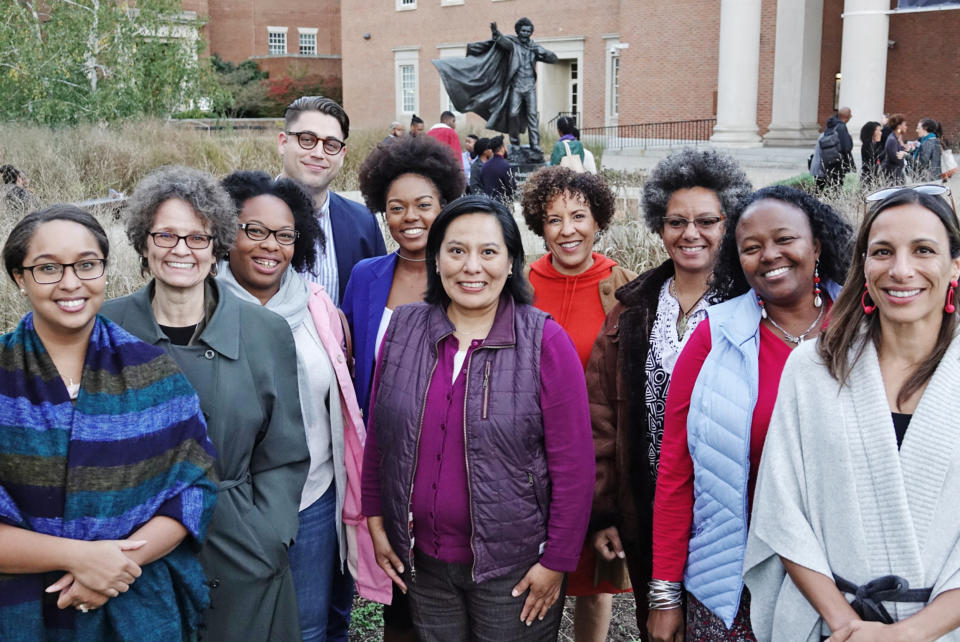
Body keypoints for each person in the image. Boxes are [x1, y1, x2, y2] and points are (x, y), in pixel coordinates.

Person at [361, 195, 595, 640]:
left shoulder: (544, 340)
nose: (472, 267)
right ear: (436, 259)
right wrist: (375, 515)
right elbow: (381, 434)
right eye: (456, 250)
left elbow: (575, 468)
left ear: (511, 263)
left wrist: (557, 562)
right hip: (425, 564)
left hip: (515, 571)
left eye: (488, 252)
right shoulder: (405, 328)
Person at [101, 166, 310, 641]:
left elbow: (285, 453)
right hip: (134, 556)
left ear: (216, 245)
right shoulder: (105, 330)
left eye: (197, 238)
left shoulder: (264, 331)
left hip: (243, 552)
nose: (180, 250)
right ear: (143, 242)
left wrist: (268, 537)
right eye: (166, 235)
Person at [744, 185, 960, 641]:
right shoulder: (812, 368)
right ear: (863, 265)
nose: (901, 270)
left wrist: (909, 633)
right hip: (826, 625)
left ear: (954, 265)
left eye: (923, 250)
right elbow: (781, 511)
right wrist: (845, 624)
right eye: (882, 251)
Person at [0, 204, 218, 640]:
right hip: (19, 613)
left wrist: (117, 565)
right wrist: (83, 559)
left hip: (137, 606)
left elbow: (195, 487)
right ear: (19, 279)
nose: (70, 282)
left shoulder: (154, 373)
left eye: (86, 265)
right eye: (47, 268)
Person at [648, 185, 852, 642]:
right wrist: (665, 594)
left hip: (847, 580)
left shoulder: (865, 328)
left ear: (816, 244)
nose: (769, 255)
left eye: (785, 239)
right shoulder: (713, 337)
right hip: (732, 586)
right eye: (751, 247)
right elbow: (677, 470)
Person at [217, 170, 391, 641]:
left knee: (316, 626)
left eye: (284, 234)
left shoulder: (317, 307)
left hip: (315, 495)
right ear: (223, 231)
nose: (269, 245)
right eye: (253, 230)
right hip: (232, 502)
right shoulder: (203, 309)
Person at [586, 148, 752, 639]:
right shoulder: (633, 310)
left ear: (730, 223)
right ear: (660, 226)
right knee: (657, 627)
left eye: (707, 221)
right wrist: (605, 512)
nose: (691, 234)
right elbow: (600, 417)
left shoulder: (750, 308)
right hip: (647, 506)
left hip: (727, 515)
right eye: (676, 221)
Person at [343, 134, 465, 641]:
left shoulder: (468, 273)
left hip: (454, 465)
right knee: (398, 602)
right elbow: (351, 370)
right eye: (396, 208)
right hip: (387, 462)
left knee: (450, 599)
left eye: (423, 205)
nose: (410, 217)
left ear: (445, 206)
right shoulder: (365, 277)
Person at [521, 166, 636, 641]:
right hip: (529, 459)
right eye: (553, 219)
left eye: (579, 216)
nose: (567, 230)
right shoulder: (519, 284)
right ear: (538, 225)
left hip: (595, 460)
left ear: (598, 221)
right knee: (530, 576)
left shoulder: (623, 288)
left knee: (594, 583)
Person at [278, 95, 387, 304]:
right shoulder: (243, 213)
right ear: (283, 143)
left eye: (331, 144)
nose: (319, 153)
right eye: (307, 140)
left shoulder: (363, 223)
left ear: (342, 154)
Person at [433, 18, 557, 154]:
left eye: (528, 31)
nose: (526, 33)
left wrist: (542, 52)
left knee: (532, 115)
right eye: (523, 30)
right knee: (513, 114)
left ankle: (535, 145)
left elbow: (553, 58)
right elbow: (502, 41)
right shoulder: (513, 45)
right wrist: (496, 32)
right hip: (516, 87)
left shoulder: (534, 47)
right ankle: (515, 144)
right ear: (518, 31)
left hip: (529, 88)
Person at [814, 107, 855, 193]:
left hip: (827, 162)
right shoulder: (841, 127)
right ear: (847, 117)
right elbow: (846, 147)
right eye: (850, 115)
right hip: (837, 165)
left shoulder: (831, 125)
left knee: (821, 190)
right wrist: (850, 139)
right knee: (835, 189)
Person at [479, 135, 516, 203]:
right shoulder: (506, 165)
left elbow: (482, 184)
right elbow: (512, 188)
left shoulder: (484, 165)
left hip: (487, 203)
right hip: (502, 205)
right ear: (502, 147)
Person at [882, 113, 909, 185]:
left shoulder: (898, 137)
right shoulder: (892, 140)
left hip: (897, 174)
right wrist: (906, 154)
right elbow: (896, 158)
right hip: (893, 176)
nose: (906, 127)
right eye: (905, 125)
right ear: (899, 126)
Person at [913, 118, 943, 182]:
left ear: (925, 128)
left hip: (928, 180)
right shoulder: (934, 139)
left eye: (918, 128)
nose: (916, 130)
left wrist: (906, 156)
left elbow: (922, 163)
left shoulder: (928, 142)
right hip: (935, 177)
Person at [859, 120, 884, 187]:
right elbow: (872, 161)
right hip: (868, 179)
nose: (880, 133)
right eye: (878, 131)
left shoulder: (877, 144)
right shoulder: (866, 145)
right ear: (872, 132)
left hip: (875, 177)